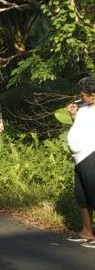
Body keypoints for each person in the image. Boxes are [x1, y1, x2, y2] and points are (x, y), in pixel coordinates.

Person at [65, 76, 95, 246]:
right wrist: (73, 114)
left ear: (93, 95)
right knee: (82, 196)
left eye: (83, 95)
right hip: (79, 158)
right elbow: (80, 127)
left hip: (91, 155)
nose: (80, 98)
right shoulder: (84, 108)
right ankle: (87, 232)